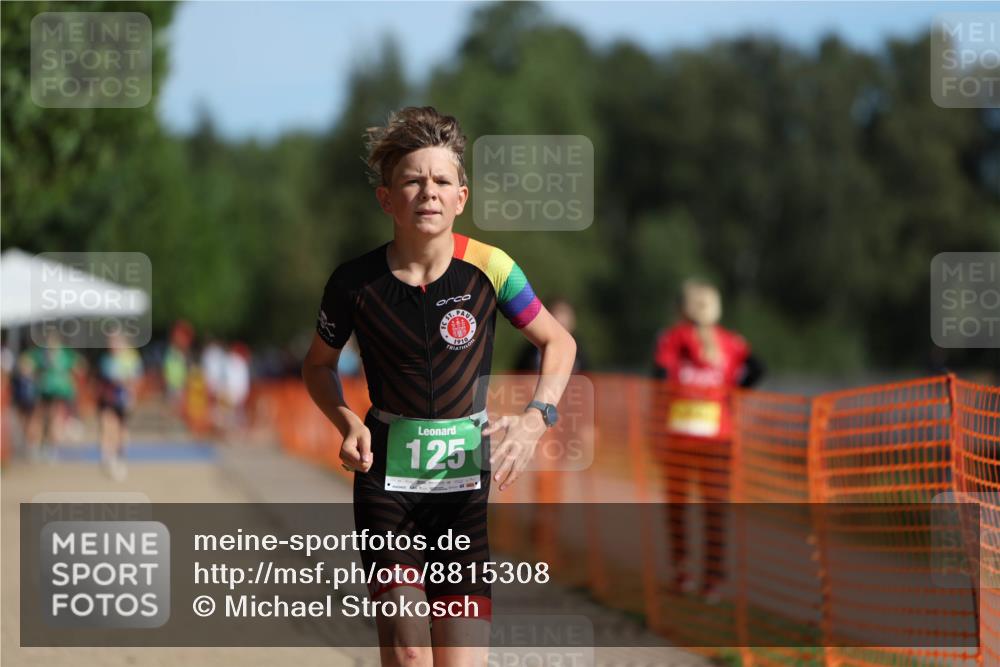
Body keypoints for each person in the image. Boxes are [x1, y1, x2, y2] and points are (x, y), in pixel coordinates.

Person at [302, 106, 576, 667]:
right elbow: (317, 366)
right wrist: (347, 420)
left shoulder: (492, 267)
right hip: (386, 487)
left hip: (462, 492)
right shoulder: (354, 283)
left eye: (442, 181)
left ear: (461, 198)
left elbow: (560, 343)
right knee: (407, 655)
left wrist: (534, 418)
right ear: (387, 199)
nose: (428, 192)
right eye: (412, 180)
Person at [651, 278, 764, 604]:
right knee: (715, 512)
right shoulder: (731, 342)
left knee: (678, 510)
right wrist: (731, 392)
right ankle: (713, 580)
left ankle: (683, 573)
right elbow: (758, 369)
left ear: (680, 309)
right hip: (719, 440)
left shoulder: (672, 339)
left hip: (678, 441)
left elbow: (657, 381)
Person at [97, 332, 144, 481]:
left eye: (115, 341)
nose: (113, 345)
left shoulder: (131, 357)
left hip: (123, 398)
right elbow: (103, 379)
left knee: (121, 429)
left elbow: (136, 379)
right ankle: (107, 457)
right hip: (108, 398)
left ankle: (119, 456)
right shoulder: (106, 358)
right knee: (107, 424)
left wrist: (132, 395)